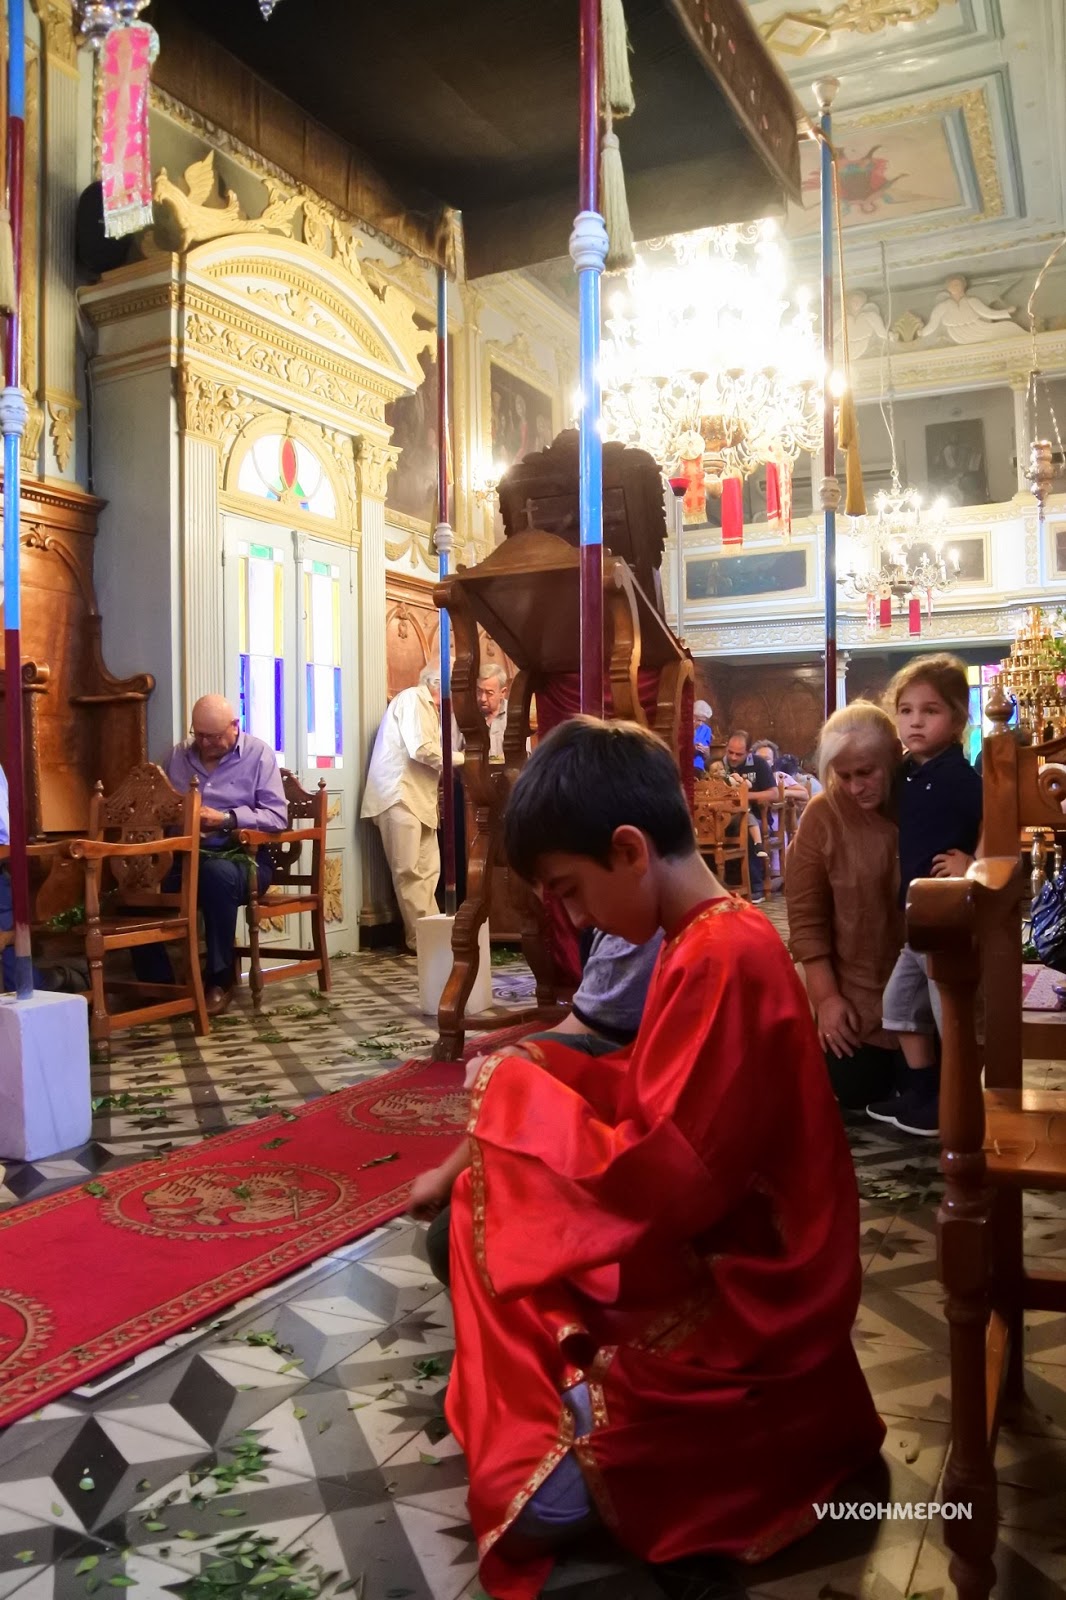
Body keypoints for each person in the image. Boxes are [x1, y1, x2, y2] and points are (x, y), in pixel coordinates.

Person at [441, 719, 885, 1599]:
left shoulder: (724, 955)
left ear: (629, 850)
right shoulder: (703, 939)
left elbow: (671, 1174)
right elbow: (658, 1100)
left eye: (570, 892)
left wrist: (520, 1098)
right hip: (713, 1258)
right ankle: (583, 1401)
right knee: (485, 1199)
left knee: (526, 1503)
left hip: (748, 1311)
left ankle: (611, 1416)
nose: (574, 918)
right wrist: (545, 1074)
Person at [410, 924, 665, 1285]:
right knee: (464, 1214)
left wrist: (509, 1066)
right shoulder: (647, 922)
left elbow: (569, 1048)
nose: (574, 916)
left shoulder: (638, 935)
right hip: (633, 1126)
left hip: (644, 1160)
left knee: (452, 1239)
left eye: (570, 894)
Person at [868, 654, 983, 1137]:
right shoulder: (907, 773)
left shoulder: (959, 776)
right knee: (898, 1008)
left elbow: (996, 820)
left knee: (947, 1017)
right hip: (915, 920)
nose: (915, 721)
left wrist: (972, 863)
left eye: (930, 711)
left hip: (946, 918)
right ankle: (925, 1093)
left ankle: (957, 1101)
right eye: (906, 710)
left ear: (956, 721)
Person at [785, 703, 905, 1110]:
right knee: (857, 1089)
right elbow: (806, 921)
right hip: (857, 999)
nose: (855, 788)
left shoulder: (924, 799)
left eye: (866, 773)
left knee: (937, 1088)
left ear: (894, 754)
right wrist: (827, 1001)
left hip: (924, 992)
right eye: (844, 776)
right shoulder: (822, 815)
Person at [138, 695, 288, 1016]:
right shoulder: (178, 756)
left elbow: (277, 817)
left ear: (235, 726)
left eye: (214, 737)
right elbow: (154, 807)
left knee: (214, 874)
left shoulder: (258, 754)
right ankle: (158, 985)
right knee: (137, 883)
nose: (205, 744)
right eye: (200, 735)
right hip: (184, 857)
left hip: (244, 858)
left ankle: (219, 980)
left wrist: (226, 819)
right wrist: (177, 817)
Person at [361, 666, 443, 952]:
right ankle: (421, 941)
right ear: (439, 682)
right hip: (399, 795)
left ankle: (434, 937)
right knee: (409, 871)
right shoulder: (413, 698)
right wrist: (463, 759)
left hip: (421, 798)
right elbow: (421, 748)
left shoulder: (434, 709)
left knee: (429, 871)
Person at [724, 729, 777, 898]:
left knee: (746, 830)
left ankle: (755, 887)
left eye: (738, 754)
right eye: (730, 752)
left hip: (757, 817)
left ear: (748, 752)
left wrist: (746, 796)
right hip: (726, 816)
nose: (733, 757)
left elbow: (774, 794)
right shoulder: (720, 764)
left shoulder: (759, 764)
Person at [692, 699, 713, 774]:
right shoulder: (686, 728)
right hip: (687, 764)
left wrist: (706, 752)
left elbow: (707, 755)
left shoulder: (707, 730)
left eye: (703, 721)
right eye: (698, 720)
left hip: (700, 767)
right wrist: (693, 748)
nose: (700, 724)